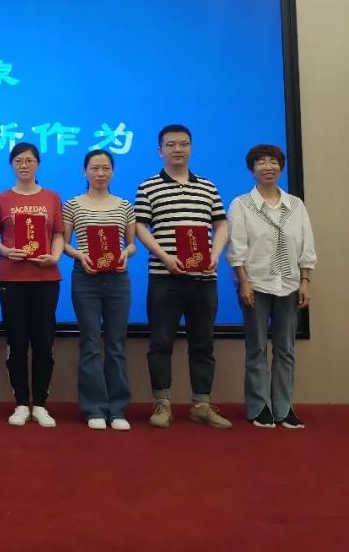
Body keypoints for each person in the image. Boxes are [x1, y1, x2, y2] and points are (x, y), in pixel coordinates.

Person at [134, 124, 231, 429]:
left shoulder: (208, 187)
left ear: (191, 148)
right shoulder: (148, 186)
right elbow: (140, 227)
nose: (178, 149)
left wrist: (215, 254)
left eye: (184, 144)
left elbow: (221, 224)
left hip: (204, 279)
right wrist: (165, 257)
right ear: (159, 150)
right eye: (171, 144)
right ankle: (162, 404)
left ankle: (201, 404)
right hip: (164, 278)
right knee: (160, 343)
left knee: (203, 344)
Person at [227, 144, 316, 429]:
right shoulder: (241, 204)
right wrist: (243, 282)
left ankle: (284, 408)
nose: (268, 167)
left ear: (281, 166)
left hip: (289, 285)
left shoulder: (296, 205)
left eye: (273, 161)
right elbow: (236, 248)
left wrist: (305, 281)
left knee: (286, 349)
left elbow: (306, 245)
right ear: (252, 169)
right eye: (261, 162)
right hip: (255, 285)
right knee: (256, 348)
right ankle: (260, 408)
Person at [0, 142, 65, 428]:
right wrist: (6, 251)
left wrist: (54, 257)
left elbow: (58, 234)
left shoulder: (52, 197)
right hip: (11, 278)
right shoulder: (1, 199)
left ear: (38, 164)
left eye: (29, 160)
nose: (24, 165)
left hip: (46, 278)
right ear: (12, 165)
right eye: (18, 160)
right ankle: (21, 403)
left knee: (43, 343)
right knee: (17, 342)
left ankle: (40, 404)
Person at [61, 149, 137, 431]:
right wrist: (80, 255)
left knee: (116, 344)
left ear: (113, 172)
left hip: (118, 279)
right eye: (94, 168)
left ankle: (117, 409)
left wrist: (125, 254)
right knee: (91, 343)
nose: (100, 173)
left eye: (106, 168)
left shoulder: (124, 205)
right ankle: (94, 408)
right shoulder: (72, 204)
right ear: (85, 171)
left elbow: (131, 244)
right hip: (86, 278)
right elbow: (63, 243)